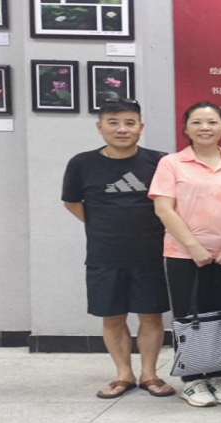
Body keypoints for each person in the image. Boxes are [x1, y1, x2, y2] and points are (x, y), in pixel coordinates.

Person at [62, 98, 174, 400]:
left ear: (140, 127)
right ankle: (123, 374)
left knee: (151, 316)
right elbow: (71, 202)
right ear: (100, 127)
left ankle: (149, 373)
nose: (121, 129)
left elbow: (172, 203)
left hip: (150, 254)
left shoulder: (159, 162)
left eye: (129, 123)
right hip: (104, 255)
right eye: (113, 122)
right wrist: (104, 225)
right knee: (112, 317)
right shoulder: (81, 163)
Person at [150, 102, 221, 408]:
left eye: (211, 122)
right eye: (197, 122)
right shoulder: (171, 163)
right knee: (189, 315)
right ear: (186, 128)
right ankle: (192, 379)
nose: (204, 127)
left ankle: (217, 375)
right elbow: (164, 209)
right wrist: (193, 247)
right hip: (183, 254)